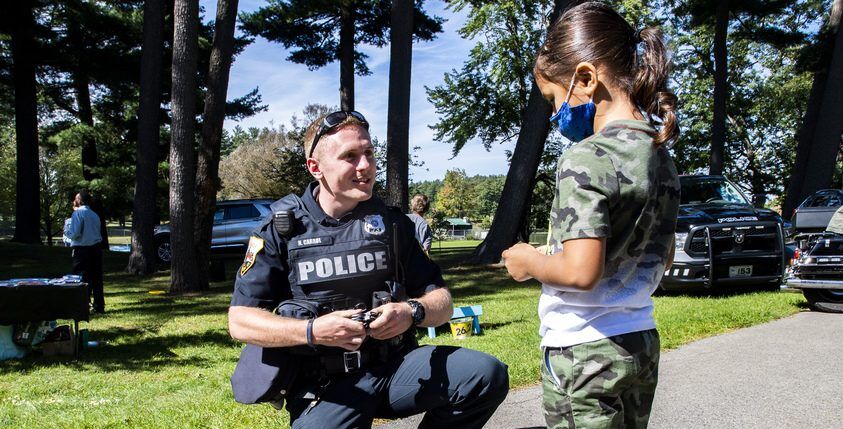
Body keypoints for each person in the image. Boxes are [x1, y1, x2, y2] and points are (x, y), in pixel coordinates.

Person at [228, 110, 509, 428]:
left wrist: (411, 312)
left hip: (393, 368)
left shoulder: (392, 224)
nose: (365, 166)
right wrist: (312, 331)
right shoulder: (282, 228)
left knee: (485, 374)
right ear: (315, 168)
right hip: (325, 386)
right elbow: (240, 322)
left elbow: (442, 304)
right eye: (350, 156)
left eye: (369, 153)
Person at [501, 3, 681, 428]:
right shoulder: (660, 154)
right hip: (640, 340)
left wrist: (528, 261)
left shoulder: (586, 157)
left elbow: (581, 273)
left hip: (583, 349)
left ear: (585, 78)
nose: (553, 113)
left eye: (553, 98)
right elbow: (664, 256)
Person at [67, 190, 104, 313]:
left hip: (82, 249)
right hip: (96, 249)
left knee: (80, 278)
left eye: (76, 198)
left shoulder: (78, 214)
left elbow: (76, 233)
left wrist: (67, 232)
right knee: (96, 278)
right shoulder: (95, 215)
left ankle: (82, 305)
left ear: (79, 200)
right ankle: (99, 306)